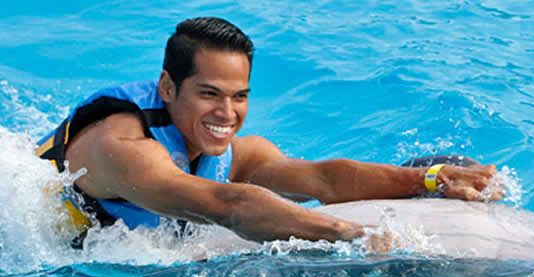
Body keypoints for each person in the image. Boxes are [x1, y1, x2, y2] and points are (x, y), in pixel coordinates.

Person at [35, 17, 500, 246]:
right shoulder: (123, 148)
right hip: (32, 247)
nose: (227, 113)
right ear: (168, 87)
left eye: (240, 96)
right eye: (210, 94)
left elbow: (322, 179)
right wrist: (349, 235)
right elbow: (229, 206)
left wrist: (430, 179)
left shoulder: (232, 150)